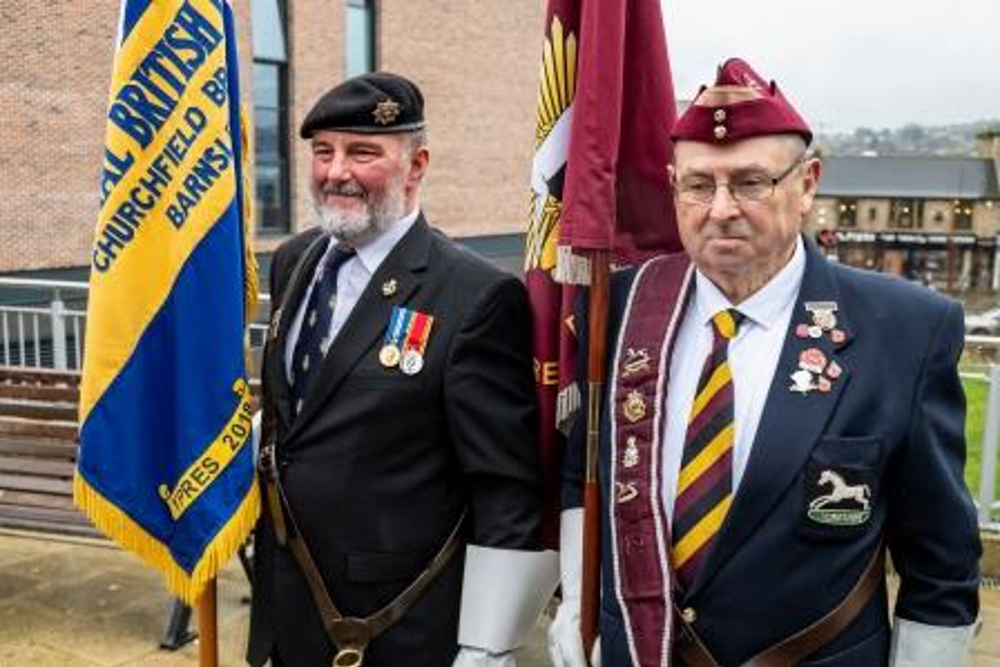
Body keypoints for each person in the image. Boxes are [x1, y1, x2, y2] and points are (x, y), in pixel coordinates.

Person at [548, 58, 981, 667]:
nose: (721, 208)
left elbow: (940, 560)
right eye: (699, 184)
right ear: (673, 185)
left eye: (751, 182)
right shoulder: (618, 308)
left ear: (807, 184)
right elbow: (583, 472)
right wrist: (578, 604)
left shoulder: (906, 329)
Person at [247, 71, 556, 667]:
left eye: (363, 153)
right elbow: (304, 416)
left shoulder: (473, 296)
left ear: (415, 167)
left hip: (397, 627)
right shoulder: (294, 262)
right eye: (323, 151)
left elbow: (504, 487)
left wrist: (489, 640)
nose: (336, 171)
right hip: (288, 608)